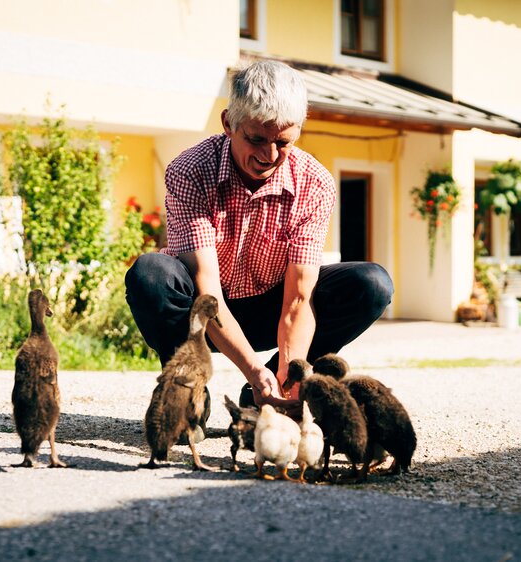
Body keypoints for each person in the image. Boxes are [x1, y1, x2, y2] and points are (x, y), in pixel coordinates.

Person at [125, 60, 393, 432]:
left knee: (371, 283)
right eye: (255, 139)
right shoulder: (190, 171)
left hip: (271, 307)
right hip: (198, 316)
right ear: (228, 124)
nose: (269, 156)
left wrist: (288, 371)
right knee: (150, 274)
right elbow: (206, 290)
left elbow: (299, 299)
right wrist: (250, 366)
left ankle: (273, 391)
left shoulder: (315, 184)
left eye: (283, 142)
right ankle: (186, 391)